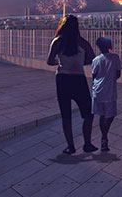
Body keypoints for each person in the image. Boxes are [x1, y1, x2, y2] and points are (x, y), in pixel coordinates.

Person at [47, 15, 98, 154]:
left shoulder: (57, 41)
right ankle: (87, 144)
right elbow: (92, 59)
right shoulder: (82, 42)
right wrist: (79, 63)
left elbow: (49, 61)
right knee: (88, 114)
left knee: (66, 114)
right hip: (78, 79)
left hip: (62, 79)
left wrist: (61, 62)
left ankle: (71, 146)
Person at [91, 36, 121, 151]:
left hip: (98, 91)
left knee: (102, 115)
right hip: (110, 91)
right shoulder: (115, 58)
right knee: (110, 115)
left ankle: (104, 138)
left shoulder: (96, 60)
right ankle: (104, 137)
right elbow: (118, 74)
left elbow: (94, 75)